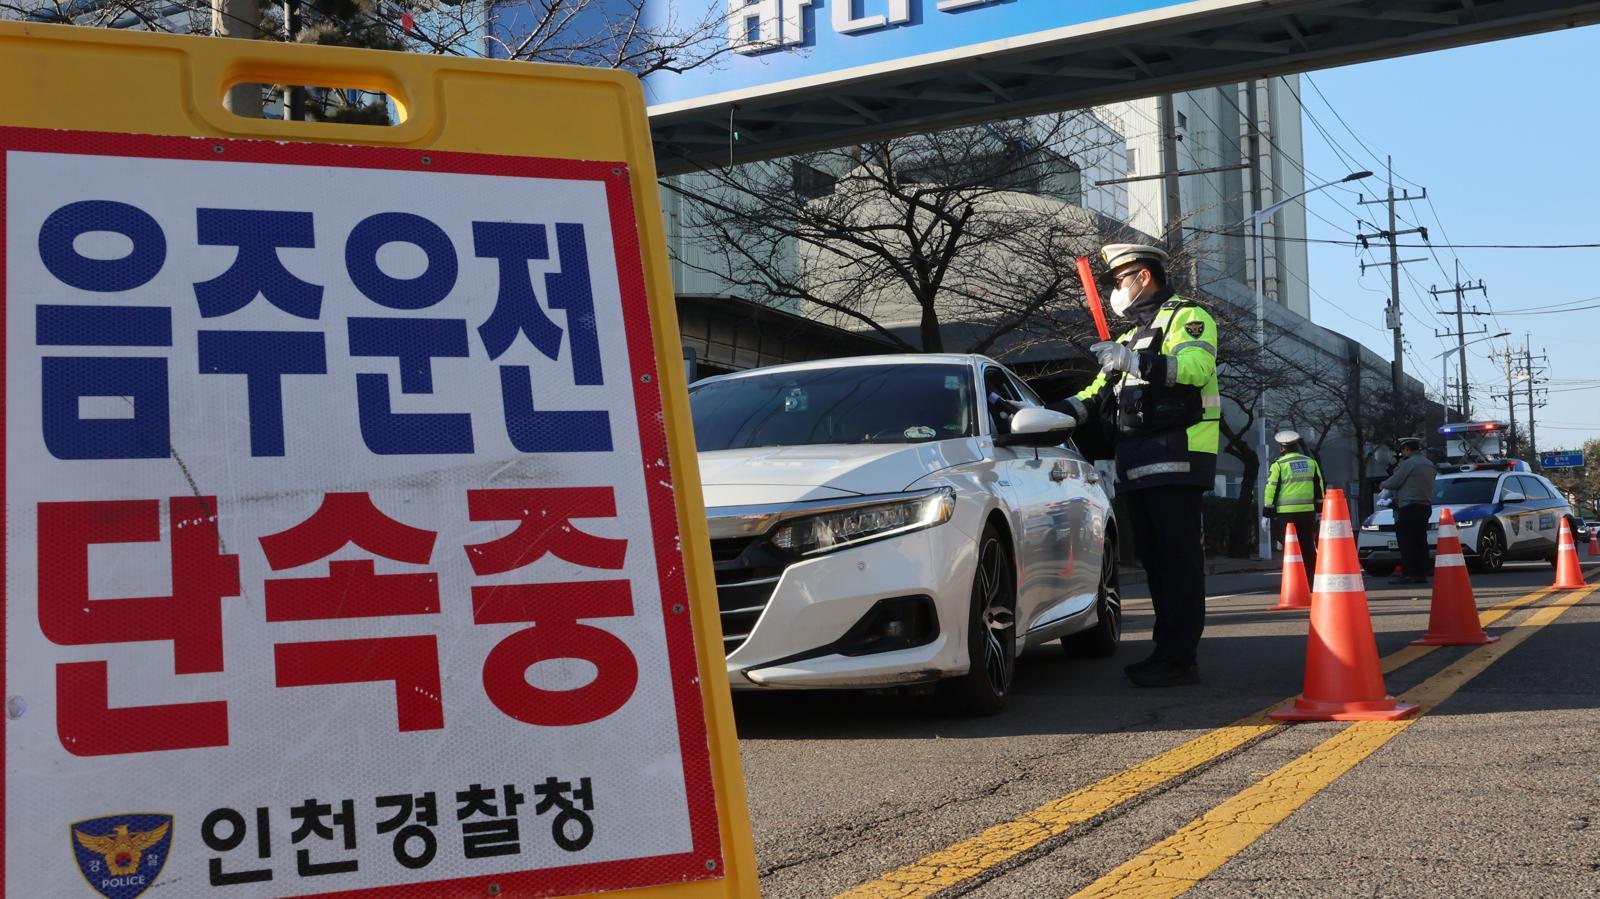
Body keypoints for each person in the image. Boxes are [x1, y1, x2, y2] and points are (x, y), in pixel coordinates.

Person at [1051, 244, 1220, 688]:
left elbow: (1196, 368)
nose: (1115, 291)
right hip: (1139, 463)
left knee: (1178, 562)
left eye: (1119, 280)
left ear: (1143, 277)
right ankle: (1167, 652)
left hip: (1178, 455)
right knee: (1157, 562)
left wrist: (1135, 362)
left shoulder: (1188, 316)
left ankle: (1180, 658)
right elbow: (1095, 396)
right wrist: (1046, 413)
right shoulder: (1127, 338)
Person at [1264, 430, 1325, 577]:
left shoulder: (1279, 465)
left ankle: (1294, 580)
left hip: (1286, 514)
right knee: (1308, 547)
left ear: (1282, 448)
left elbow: (1271, 489)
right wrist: (1319, 510)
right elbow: (1319, 488)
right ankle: (1311, 580)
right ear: (1297, 446)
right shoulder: (1311, 463)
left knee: (1290, 549)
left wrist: (1266, 513)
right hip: (1307, 512)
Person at [1379, 436, 1436, 584]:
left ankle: (1409, 573)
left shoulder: (1409, 463)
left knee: (1407, 542)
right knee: (1420, 540)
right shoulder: (1429, 464)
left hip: (1408, 506)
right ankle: (1421, 573)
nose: (1402, 453)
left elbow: (1396, 481)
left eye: (1403, 450)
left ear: (1407, 449)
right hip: (1425, 505)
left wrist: (1383, 484)